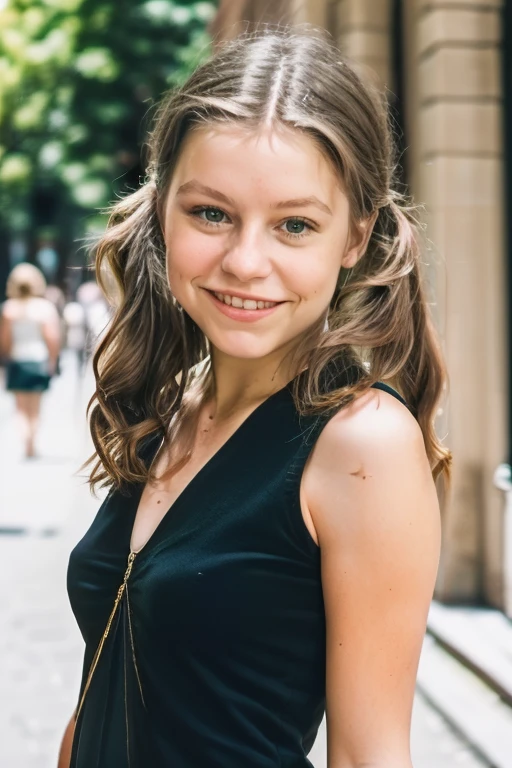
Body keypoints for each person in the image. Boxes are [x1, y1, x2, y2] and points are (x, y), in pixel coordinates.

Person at [61, 29, 451, 768]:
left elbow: (371, 757)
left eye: (294, 225)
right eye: (210, 213)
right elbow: (103, 694)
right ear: (162, 211)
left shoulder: (362, 443)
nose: (244, 262)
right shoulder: (166, 407)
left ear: (354, 238)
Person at [0, 263, 61, 459]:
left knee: (20, 406)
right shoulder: (44, 308)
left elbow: (5, 339)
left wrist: (6, 358)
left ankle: (26, 440)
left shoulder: (9, 309)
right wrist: (53, 360)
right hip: (38, 360)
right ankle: (32, 443)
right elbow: (52, 337)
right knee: (36, 406)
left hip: (18, 360)